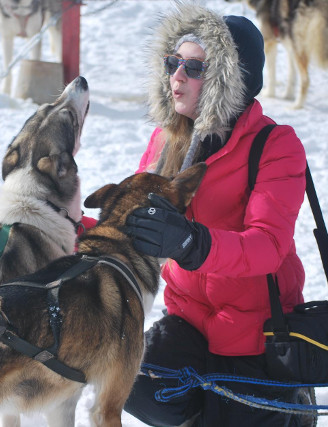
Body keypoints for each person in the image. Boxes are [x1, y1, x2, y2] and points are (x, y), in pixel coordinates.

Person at [118, 2, 307, 426]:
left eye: (195, 68)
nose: (177, 77)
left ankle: (288, 410)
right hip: (187, 321)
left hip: (256, 334)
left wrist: (190, 242)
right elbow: (129, 219)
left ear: (229, 80)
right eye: (173, 63)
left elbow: (268, 246)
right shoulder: (168, 140)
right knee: (126, 381)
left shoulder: (275, 145)